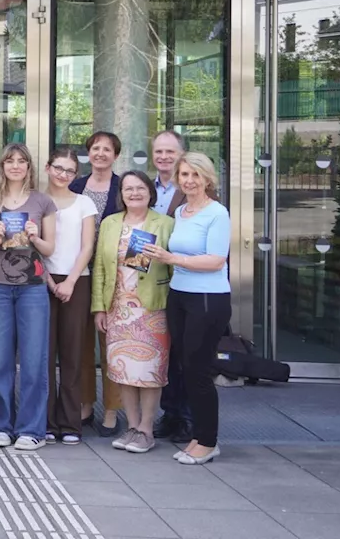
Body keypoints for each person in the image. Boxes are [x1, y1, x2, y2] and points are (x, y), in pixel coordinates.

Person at [140, 153, 231, 465]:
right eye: (184, 175)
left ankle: (208, 440)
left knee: (199, 371)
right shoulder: (181, 211)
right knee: (184, 368)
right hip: (179, 296)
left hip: (207, 299)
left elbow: (216, 260)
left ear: (207, 178)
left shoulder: (217, 213)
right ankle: (198, 437)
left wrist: (171, 259)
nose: (189, 181)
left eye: (195, 175)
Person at [0, 143, 57, 451]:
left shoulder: (42, 201)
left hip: (33, 288)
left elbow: (50, 249)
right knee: (1, 360)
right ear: (2, 166)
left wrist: (35, 237)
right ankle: (2, 426)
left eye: (22, 161)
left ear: (29, 167)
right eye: (10, 161)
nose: (15, 166)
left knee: (35, 360)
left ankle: (31, 429)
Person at [92, 171, 175, 454]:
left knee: (150, 372)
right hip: (117, 308)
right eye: (128, 189)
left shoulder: (165, 223)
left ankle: (147, 429)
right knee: (123, 369)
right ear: (121, 193)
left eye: (140, 188)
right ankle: (131, 426)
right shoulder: (110, 223)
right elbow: (101, 268)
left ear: (150, 192)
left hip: (151, 308)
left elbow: (175, 265)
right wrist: (99, 307)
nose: (134, 193)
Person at [43, 148, 99, 446]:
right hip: (42, 281)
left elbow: (87, 246)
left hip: (77, 280)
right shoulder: (37, 200)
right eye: (58, 168)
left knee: (73, 354)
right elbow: (32, 248)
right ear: (47, 167)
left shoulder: (84, 203)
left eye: (69, 171)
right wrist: (50, 282)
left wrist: (71, 281)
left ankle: (71, 423)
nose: (63, 174)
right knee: (44, 354)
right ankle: (48, 422)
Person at [69, 131, 123, 437]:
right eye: (95, 148)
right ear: (88, 153)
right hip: (80, 272)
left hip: (113, 275)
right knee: (81, 345)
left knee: (111, 343)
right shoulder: (76, 186)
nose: (100, 153)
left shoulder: (121, 187)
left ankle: (112, 410)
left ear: (115, 155)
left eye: (107, 149)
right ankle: (86, 404)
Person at [149, 130, 192, 444]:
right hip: (152, 280)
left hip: (185, 280)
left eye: (169, 152)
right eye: (159, 151)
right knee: (164, 350)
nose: (164, 157)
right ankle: (170, 413)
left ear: (181, 154)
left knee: (185, 353)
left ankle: (189, 417)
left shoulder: (193, 187)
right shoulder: (146, 188)